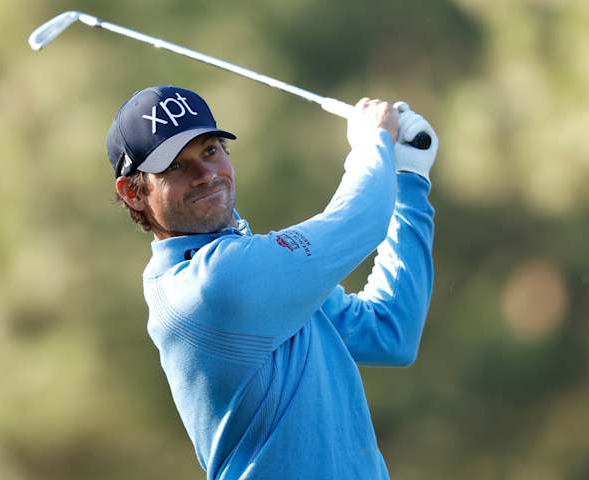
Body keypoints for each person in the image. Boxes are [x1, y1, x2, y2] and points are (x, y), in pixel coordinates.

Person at [107, 85, 437, 479]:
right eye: (176, 166)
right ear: (132, 193)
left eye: (210, 151)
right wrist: (373, 143)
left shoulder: (266, 286)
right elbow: (358, 221)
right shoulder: (209, 285)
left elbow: (389, 332)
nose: (205, 175)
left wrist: (409, 178)